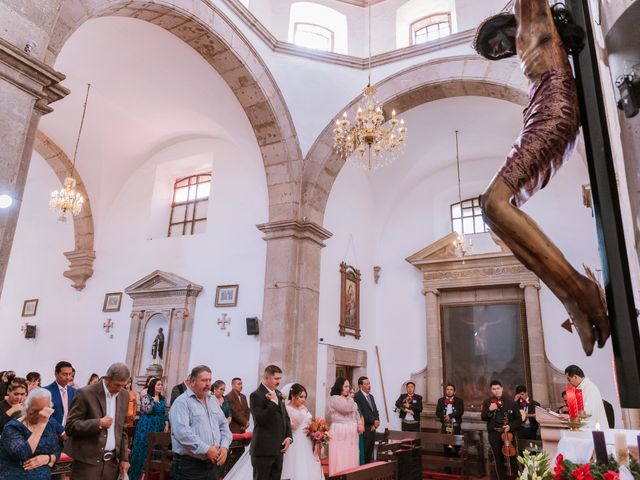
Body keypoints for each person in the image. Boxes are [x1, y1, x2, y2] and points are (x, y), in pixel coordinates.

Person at [473, 0, 609, 357]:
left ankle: (578, 292)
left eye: (494, 42)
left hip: (553, 109)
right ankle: (572, 298)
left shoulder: (531, 20)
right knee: (494, 213)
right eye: (493, 52)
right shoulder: (528, 46)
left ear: (505, 23)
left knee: (493, 202)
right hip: (540, 114)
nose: (499, 50)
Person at [223, 383, 324, 480]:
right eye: (301, 397)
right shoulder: (288, 408)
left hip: (305, 442)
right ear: (293, 396)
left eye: (305, 397)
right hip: (292, 442)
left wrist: (315, 431)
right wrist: (303, 411)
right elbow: (292, 425)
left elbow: (309, 423)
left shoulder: (304, 408)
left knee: (306, 467)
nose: (303, 400)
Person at [65, 362, 131, 480]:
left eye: (123, 385)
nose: (119, 389)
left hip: (112, 464)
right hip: (87, 464)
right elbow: (70, 426)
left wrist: (124, 458)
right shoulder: (85, 393)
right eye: (117, 385)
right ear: (107, 379)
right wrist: (98, 423)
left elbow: (123, 430)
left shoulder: (124, 395)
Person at [169, 365, 232, 480]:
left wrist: (224, 446)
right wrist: (206, 449)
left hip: (211, 464)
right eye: (204, 380)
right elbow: (182, 433)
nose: (208, 384)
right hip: (189, 466)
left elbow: (223, 425)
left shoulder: (212, 400)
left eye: (209, 380)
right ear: (192, 381)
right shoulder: (182, 402)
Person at [0, 388, 62, 480]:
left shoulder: (49, 424)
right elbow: (23, 453)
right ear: (26, 407)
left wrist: (49, 458)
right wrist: (40, 425)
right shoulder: (12, 427)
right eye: (34, 411)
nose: (39, 415)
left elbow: (57, 448)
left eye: (43, 411)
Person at [249, 364, 292, 480]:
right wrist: (272, 403)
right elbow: (259, 420)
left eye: (280, 378)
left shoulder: (278, 394)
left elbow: (285, 417)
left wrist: (288, 436)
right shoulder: (255, 395)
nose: (279, 381)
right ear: (266, 378)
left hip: (278, 449)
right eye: (276, 379)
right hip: (263, 450)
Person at [481, 380, 521, 480]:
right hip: (494, 434)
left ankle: (515, 477)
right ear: (491, 390)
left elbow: (519, 419)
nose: (496, 391)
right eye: (494, 389)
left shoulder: (511, 403)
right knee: (498, 459)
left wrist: (510, 426)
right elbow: (484, 417)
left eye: (498, 388)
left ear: (502, 389)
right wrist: (490, 410)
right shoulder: (487, 402)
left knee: (512, 458)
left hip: (508, 435)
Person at [129, 378, 168, 480]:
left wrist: (166, 424)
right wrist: (152, 401)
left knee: (154, 452)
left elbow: (164, 412)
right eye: (158, 384)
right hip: (146, 427)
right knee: (143, 451)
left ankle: (150, 476)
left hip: (158, 427)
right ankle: (137, 476)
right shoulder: (147, 397)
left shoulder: (163, 398)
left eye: (161, 385)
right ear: (153, 386)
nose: (160, 386)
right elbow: (147, 410)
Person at [328, 378, 360, 475]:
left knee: (351, 454)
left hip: (351, 430)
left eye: (348, 386)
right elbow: (346, 408)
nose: (348, 389)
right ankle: (339, 475)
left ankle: (351, 475)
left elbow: (355, 412)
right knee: (341, 455)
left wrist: (359, 423)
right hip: (340, 430)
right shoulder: (335, 398)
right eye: (345, 386)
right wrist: (351, 399)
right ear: (339, 386)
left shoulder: (348, 399)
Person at [354, 376, 379, 464]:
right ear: (361, 386)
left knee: (369, 454)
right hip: (365, 429)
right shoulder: (357, 396)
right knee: (363, 454)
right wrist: (373, 422)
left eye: (369, 383)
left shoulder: (371, 397)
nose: (369, 386)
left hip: (373, 429)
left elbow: (375, 410)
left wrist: (377, 422)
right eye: (366, 384)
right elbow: (362, 413)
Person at [43, 361, 75, 428]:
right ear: (56, 374)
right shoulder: (46, 391)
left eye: (70, 374)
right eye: (64, 374)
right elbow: (47, 415)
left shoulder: (74, 392)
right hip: (53, 433)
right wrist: (61, 432)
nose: (68, 378)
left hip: (70, 432)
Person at [436, 383, 464, 456]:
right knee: (446, 447)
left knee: (458, 447)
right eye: (447, 389)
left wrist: (450, 416)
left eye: (451, 389)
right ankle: (448, 466)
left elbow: (460, 412)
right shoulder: (440, 400)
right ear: (445, 391)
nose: (449, 391)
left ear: (454, 391)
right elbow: (438, 412)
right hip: (445, 426)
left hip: (456, 426)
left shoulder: (459, 401)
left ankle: (457, 465)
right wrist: (444, 416)